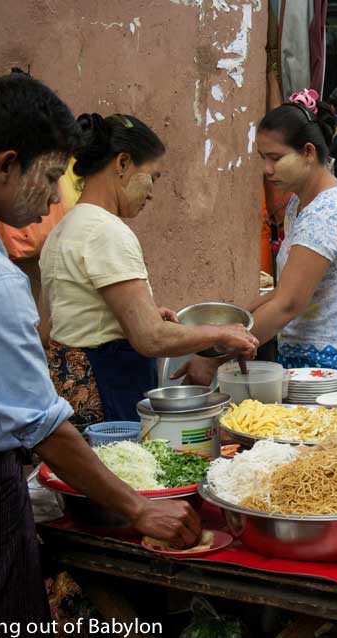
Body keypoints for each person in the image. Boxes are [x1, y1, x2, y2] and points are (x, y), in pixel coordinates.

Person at [0, 71, 200, 631]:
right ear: (5, 165)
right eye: (48, 176)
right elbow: (44, 429)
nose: (53, 197)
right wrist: (138, 506)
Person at [39, 113, 258, 425]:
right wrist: (219, 333)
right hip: (107, 389)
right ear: (123, 163)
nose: (153, 192)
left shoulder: (63, 230)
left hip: (70, 390)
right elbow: (150, 339)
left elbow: (51, 329)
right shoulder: (106, 231)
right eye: (153, 177)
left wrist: (138, 315)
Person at [183, 91, 337, 389]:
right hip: (310, 359)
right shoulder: (300, 203)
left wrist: (214, 357)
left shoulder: (327, 213)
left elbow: (287, 304)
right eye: (262, 158)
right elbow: (285, 291)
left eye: (276, 158)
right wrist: (229, 330)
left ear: (308, 152)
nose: (266, 169)